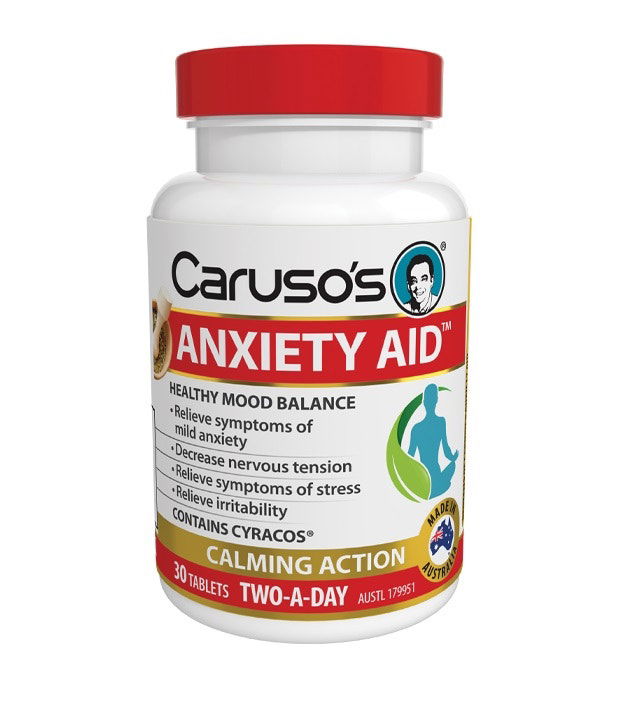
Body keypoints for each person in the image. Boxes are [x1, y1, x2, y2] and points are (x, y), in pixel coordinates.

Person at [408, 383, 458, 497]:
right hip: (436, 473)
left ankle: (430, 488)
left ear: (424, 402)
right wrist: (453, 457)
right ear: (436, 400)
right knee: (453, 465)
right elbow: (446, 451)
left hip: (422, 476)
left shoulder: (416, 428)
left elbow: (410, 457)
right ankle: (436, 486)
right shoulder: (440, 422)